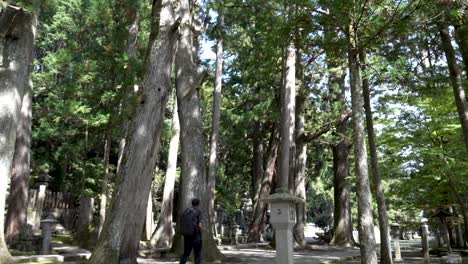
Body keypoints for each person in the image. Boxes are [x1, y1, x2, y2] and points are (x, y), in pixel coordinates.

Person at [180, 198, 203, 264]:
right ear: (198, 204)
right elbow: (200, 225)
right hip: (196, 235)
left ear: (192, 203)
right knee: (197, 254)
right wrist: (201, 231)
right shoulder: (199, 211)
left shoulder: (187, 210)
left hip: (187, 234)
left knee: (186, 253)